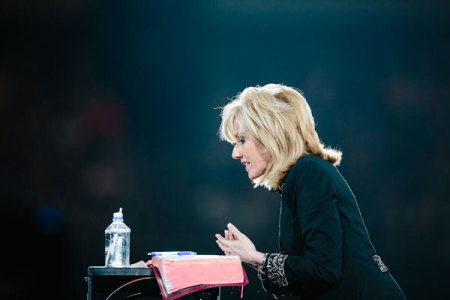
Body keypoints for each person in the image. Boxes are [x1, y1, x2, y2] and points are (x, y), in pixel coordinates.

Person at [215, 84, 406, 299]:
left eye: (242, 140)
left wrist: (258, 258)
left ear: (271, 133)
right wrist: (254, 259)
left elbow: (323, 270)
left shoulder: (309, 172)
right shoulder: (300, 177)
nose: (235, 153)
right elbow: (308, 276)